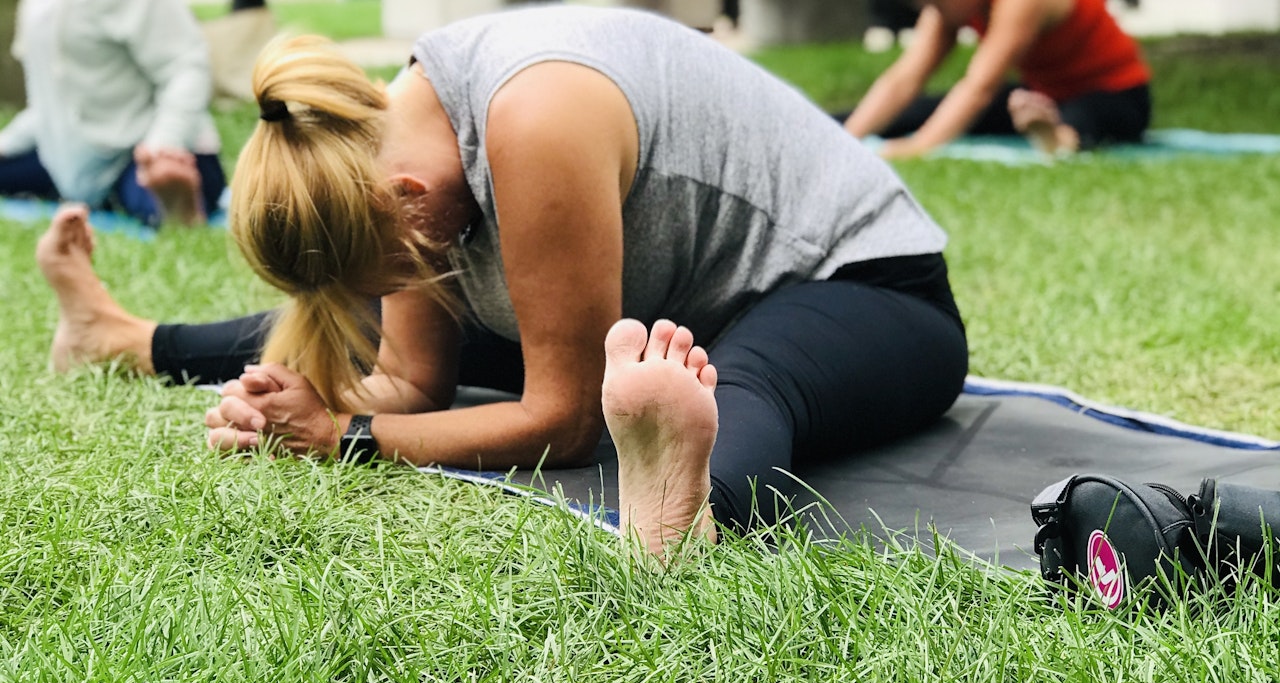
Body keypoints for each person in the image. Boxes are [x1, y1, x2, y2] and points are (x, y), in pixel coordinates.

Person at [36, 6, 968, 560]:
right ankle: (121, 337)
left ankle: (685, 520)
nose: (416, 275)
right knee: (354, 317)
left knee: (742, 380)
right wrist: (301, 405)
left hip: (863, 288)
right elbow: (415, 380)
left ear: (405, 202)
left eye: (404, 260)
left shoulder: (534, 119)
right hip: (671, 307)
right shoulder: (388, 143)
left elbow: (561, 422)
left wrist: (348, 438)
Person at [0, 0, 226, 226]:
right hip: (70, 157)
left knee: (146, 193)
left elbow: (186, 68)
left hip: (146, 151)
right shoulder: (37, 7)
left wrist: (161, 149)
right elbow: (49, 103)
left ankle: (176, 206)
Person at [842, 0, 1152, 158]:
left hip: (1115, 91)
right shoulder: (952, 9)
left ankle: (1057, 139)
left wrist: (919, 148)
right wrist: (845, 138)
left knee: (1085, 118)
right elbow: (903, 80)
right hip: (1041, 95)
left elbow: (979, 86)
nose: (932, 12)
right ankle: (830, 123)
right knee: (922, 111)